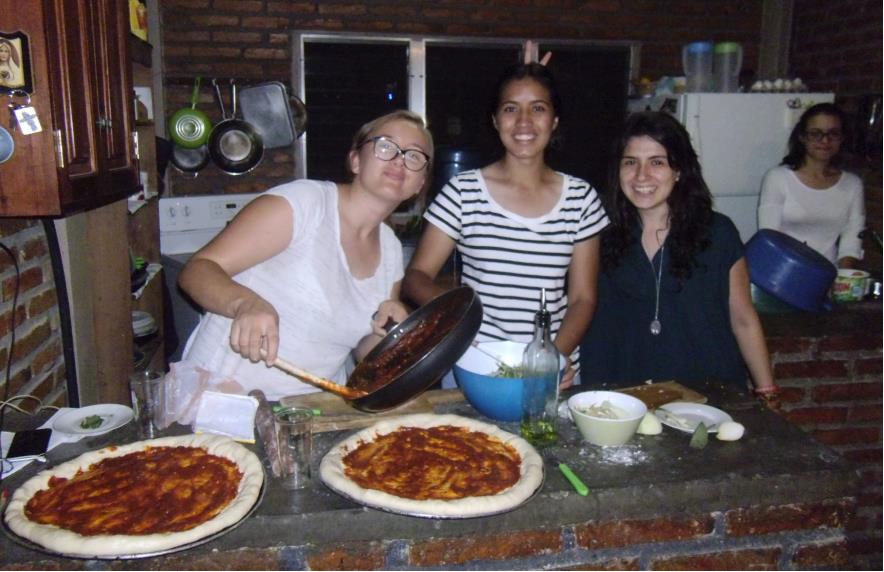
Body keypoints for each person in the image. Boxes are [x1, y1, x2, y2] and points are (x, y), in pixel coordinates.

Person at [178, 110, 433, 400]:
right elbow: (197, 270)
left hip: (310, 410)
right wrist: (244, 303)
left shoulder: (391, 250)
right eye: (386, 146)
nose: (399, 159)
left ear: (419, 183)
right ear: (356, 160)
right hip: (222, 399)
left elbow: (363, 349)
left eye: (415, 155)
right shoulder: (305, 204)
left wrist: (388, 336)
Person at [402, 62, 609, 387]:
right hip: (475, 361)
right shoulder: (463, 191)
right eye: (511, 108)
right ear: (496, 120)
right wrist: (458, 318)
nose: (524, 121)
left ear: (554, 120)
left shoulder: (581, 198)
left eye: (538, 108)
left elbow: (583, 298)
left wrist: (551, 358)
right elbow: (416, 277)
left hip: (552, 366)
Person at [580, 111, 778, 398]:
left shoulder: (717, 233)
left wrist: (767, 391)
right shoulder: (596, 233)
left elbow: (743, 319)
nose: (641, 175)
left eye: (657, 162)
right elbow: (577, 307)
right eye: (630, 162)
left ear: (679, 170)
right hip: (619, 399)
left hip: (707, 396)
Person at [758, 103, 865, 268]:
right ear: (802, 137)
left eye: (833, 133)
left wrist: (844, 277)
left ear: (842, 138)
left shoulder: (852, 185)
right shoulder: (778, 177)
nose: (825, 140)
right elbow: (769, 237)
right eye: (815, 133)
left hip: (828, 274)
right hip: (781, 271)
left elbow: (852, 240)